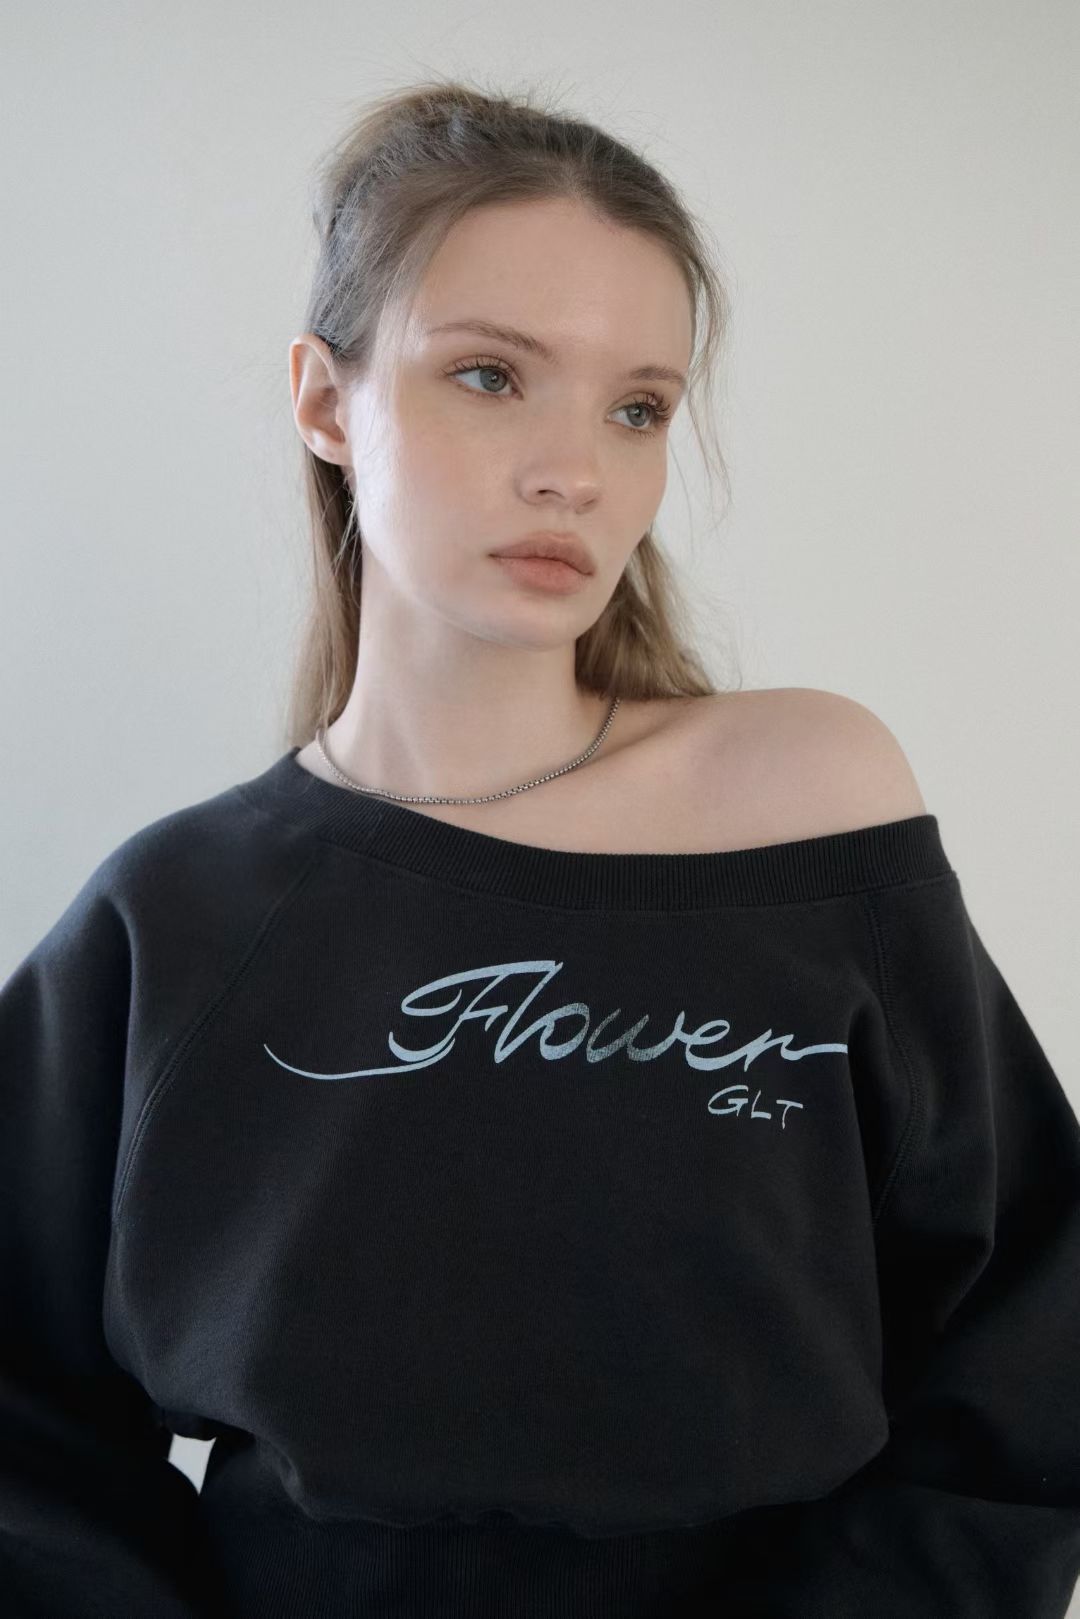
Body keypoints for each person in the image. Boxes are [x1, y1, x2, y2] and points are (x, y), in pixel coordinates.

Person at [2, 78, 1078, 1619]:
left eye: (638, 407)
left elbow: (1030, 1321)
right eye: (492, 376)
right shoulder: (182, 912)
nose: (575, 469)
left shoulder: (804, 796)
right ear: (325, 400)